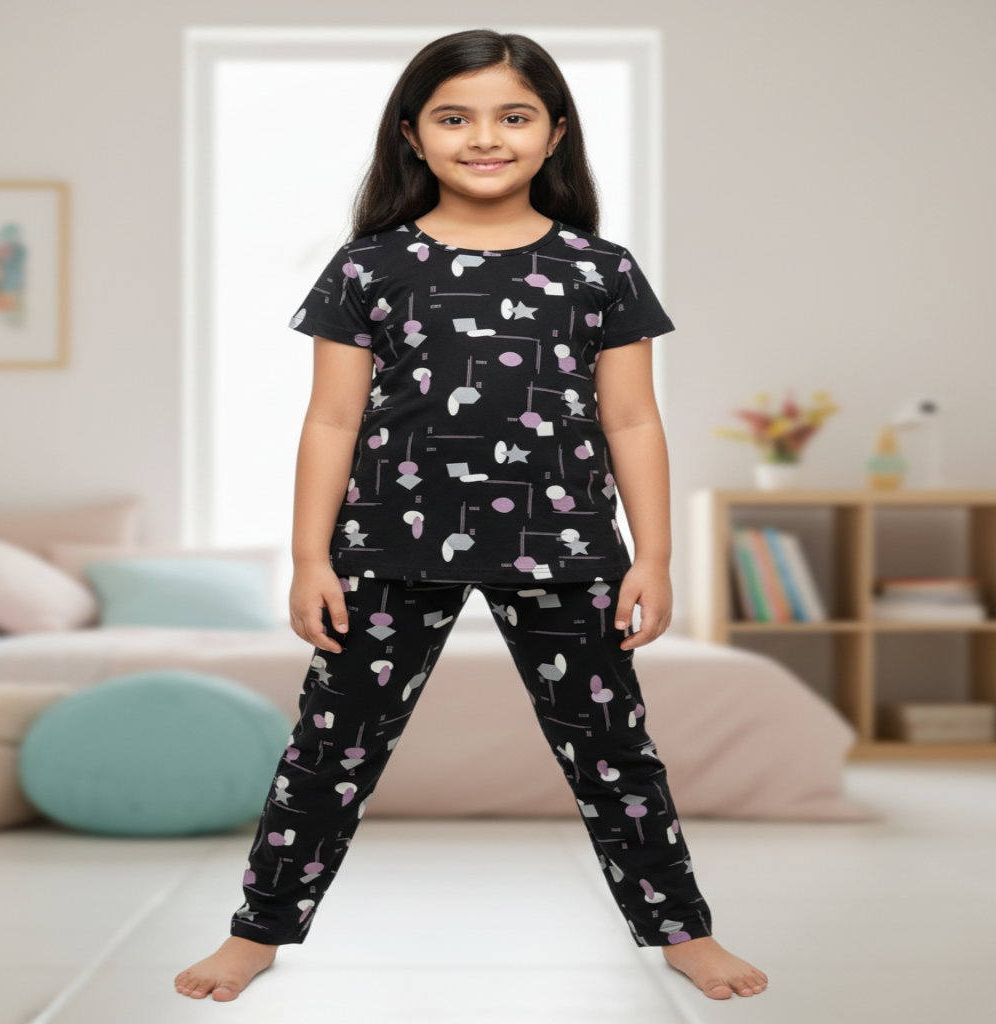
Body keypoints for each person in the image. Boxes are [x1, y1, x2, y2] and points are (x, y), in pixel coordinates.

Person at [175, 27, 768, 1004]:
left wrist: (651, 556)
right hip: (388, 544)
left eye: (512, 115)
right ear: (412, 133)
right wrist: (306, 557)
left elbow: (631, 418)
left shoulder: (599, 270)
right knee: (331, 747)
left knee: (613, 749)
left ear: (554, 133)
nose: (483, 136)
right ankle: (258, 931)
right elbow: (330, 420)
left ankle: (680, 928)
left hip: (568, 547)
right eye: (454, 116)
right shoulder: (369, 267)